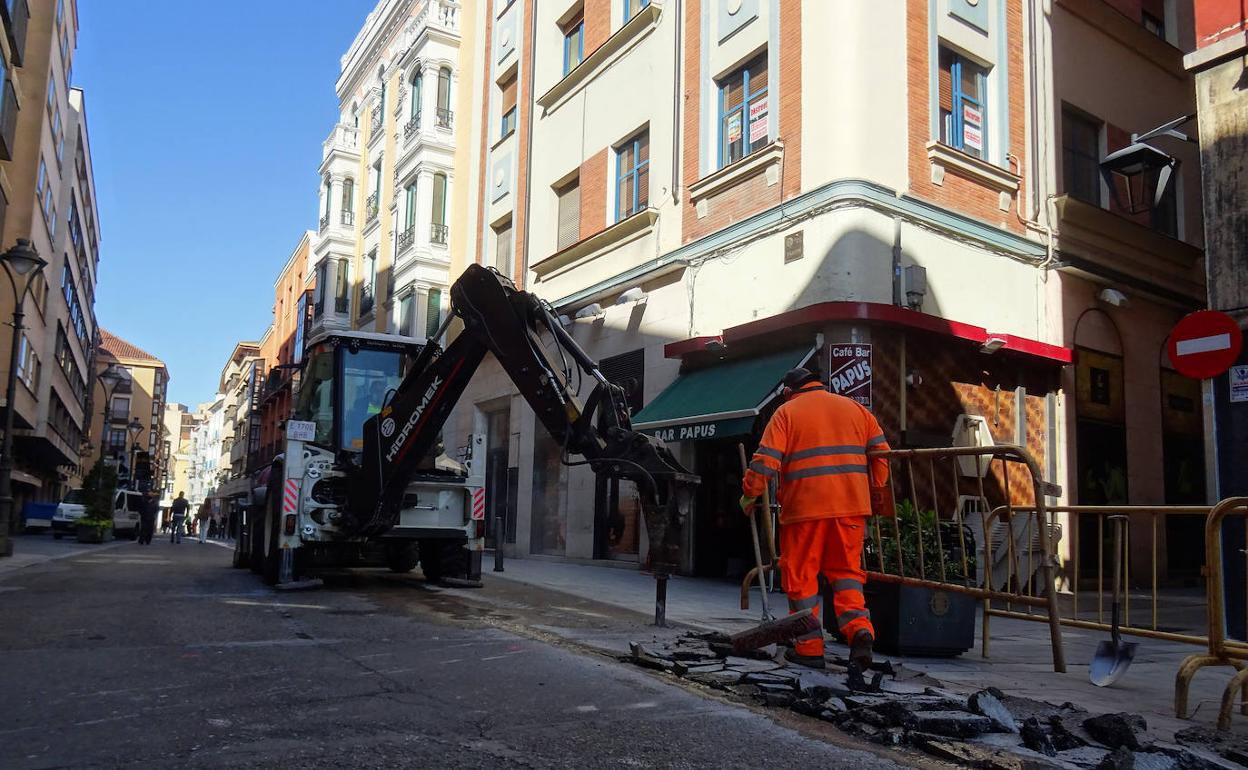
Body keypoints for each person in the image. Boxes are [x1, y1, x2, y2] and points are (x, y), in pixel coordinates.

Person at [741, 367, 891, 671]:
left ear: (788, 391)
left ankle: (809, 648)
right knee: (847, 575)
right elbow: (881, 454)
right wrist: (873, 494)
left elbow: (766, 460)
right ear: (819, 385)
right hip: (850, 509)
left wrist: (750, 493)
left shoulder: (786, 412)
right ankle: (859, 630)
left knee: (801, 577)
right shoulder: (857, 410)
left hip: (804, 512)